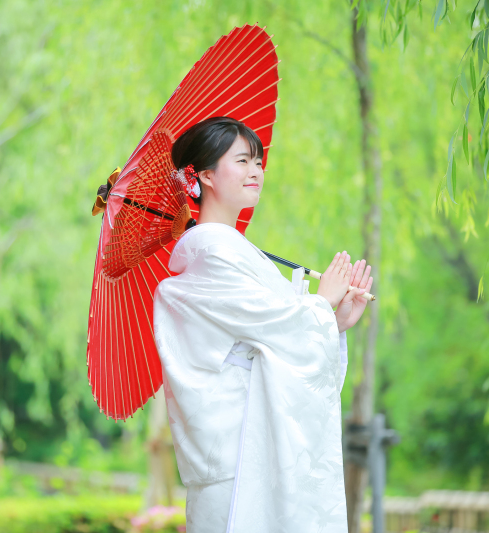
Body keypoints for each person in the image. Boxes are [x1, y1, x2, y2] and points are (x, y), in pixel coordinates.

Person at [153, 117, 373, 533]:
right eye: (243, 160)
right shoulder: (213, 256)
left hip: (257, 449)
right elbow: (274, 324)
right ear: (204, 176)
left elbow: (275, 330)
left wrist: (333, 322)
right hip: (238, 457)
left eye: (258, 161)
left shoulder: (231, 252)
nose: (257, 171)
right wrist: (320, 304)